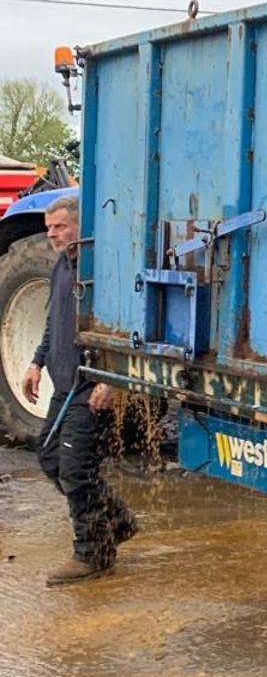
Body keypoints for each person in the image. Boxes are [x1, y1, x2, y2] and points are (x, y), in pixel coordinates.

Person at [20, 194, 139, 585]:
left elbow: (123, 326)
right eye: (50, 228)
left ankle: (93, 553)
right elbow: (55, 321)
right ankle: (116, 521)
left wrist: (113, 378)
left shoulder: (101, 270)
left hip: (92, 386)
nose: (53, 234)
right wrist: (37, 362)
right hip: (63, 382)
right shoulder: (60, 266)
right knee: (49, 456)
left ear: (80, 227)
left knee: (74, 468)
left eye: (61, 227)